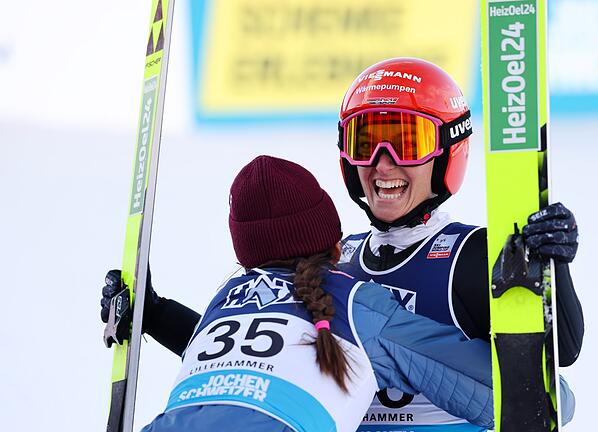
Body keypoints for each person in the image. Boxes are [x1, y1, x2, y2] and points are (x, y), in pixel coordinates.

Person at [101, 58, 584, 431]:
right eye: (365, 142)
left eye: (406, 143)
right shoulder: (333, 259)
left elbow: (558, 358)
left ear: (447, 151)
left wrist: (551, 270)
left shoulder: (469, 255)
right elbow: (262, 357)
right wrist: (155, 313)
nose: (382, 163)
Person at [138, 156, 494, 432]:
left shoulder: (228, 297)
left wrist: (152, 314)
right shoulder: (355, 305)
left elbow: (242, 369)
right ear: (335, 247)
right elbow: (490, 392)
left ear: (244, 255)